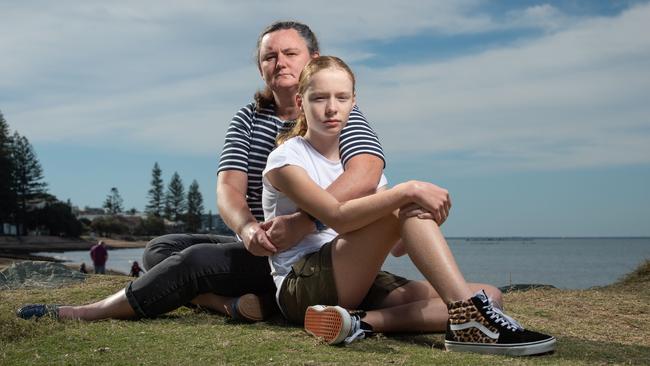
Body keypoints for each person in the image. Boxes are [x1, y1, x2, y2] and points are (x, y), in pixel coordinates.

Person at [15, 21, 394, 323]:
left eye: (290, 53)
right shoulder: (248, 118)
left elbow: (365, 173)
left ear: (313, 57)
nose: (279, 62)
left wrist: (302, 222)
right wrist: (247, 230)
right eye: (268, 56)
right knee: (160, 249)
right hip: (259, 245)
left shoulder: (337, 113)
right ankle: (229, 304)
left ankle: (90, 312)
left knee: (193, 261)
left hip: (312, 248)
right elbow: (228, 188)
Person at [261, 55, 556, 356]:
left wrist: (425, 218)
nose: (331, 108)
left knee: (489, 296)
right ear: (300, 101)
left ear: (353, 102)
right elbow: (337, 218)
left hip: (358, 277)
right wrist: (410, 191)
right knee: (399, 203)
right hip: (302, 286)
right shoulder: (287, 159)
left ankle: (359, 322)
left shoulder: (356, 165)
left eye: (342, 97)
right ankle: (471, 325)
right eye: (319, 98)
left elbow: (398, 246)